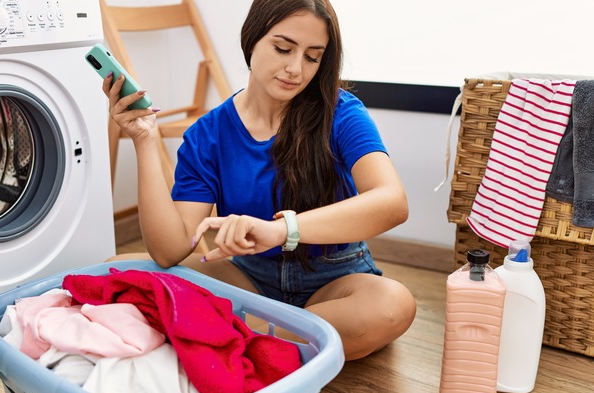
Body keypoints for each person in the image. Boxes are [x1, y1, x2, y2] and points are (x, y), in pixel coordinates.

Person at [103, 0, 416, 361]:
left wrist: (283, 230)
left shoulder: (341, 112)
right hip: (250, 280)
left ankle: (235, 340)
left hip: (334, 281)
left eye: (312, 57)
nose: (295, 69)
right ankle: (279, 345)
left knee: (392, 304)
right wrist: (145, 140)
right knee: (122, 269)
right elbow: (169, 250)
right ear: (252, 39)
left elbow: (392, 201)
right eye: (283, 48)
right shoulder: (209, 133)